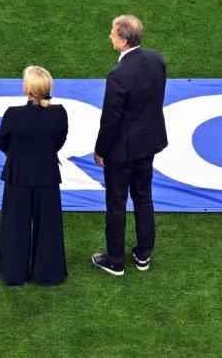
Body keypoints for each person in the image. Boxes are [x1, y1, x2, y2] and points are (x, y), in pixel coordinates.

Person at [92, 15, 168, 275]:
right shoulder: (156, 60)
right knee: (143, 197)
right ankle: (143, 253)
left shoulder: (118, 75)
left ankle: (115, 260)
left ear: (123, 41)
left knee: (116, 203)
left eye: (112, 33)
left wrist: (101, 149)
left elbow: (110, 119)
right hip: (147, 144)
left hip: (121, 151)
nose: (109, 36)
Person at [0, 66, 68, 285]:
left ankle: (14, 272)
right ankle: (48, 273)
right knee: (49, 225)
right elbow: (59, 141)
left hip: (18, 175)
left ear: (28, 89)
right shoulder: (59, 113)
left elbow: (3, 144)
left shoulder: (13, 114)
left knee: (15, 225)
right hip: (47, 175)